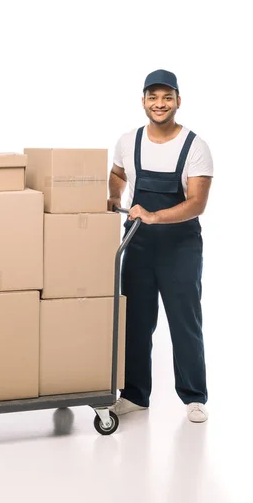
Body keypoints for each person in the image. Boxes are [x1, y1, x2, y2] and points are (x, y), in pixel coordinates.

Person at [108, 69, 213, 423]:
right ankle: (135, 395)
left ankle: (194, 397)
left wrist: (154, 216)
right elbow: (119, 174)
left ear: (178, 101)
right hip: (137, 246)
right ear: (143, 101)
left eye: (167, 97)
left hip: (180, 248)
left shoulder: (195, 146)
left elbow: (197, 202)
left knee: (185, 322)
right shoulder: (128, 140)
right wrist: (112, 196)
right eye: (153, 97)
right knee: (135, 322)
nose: (160, 104)